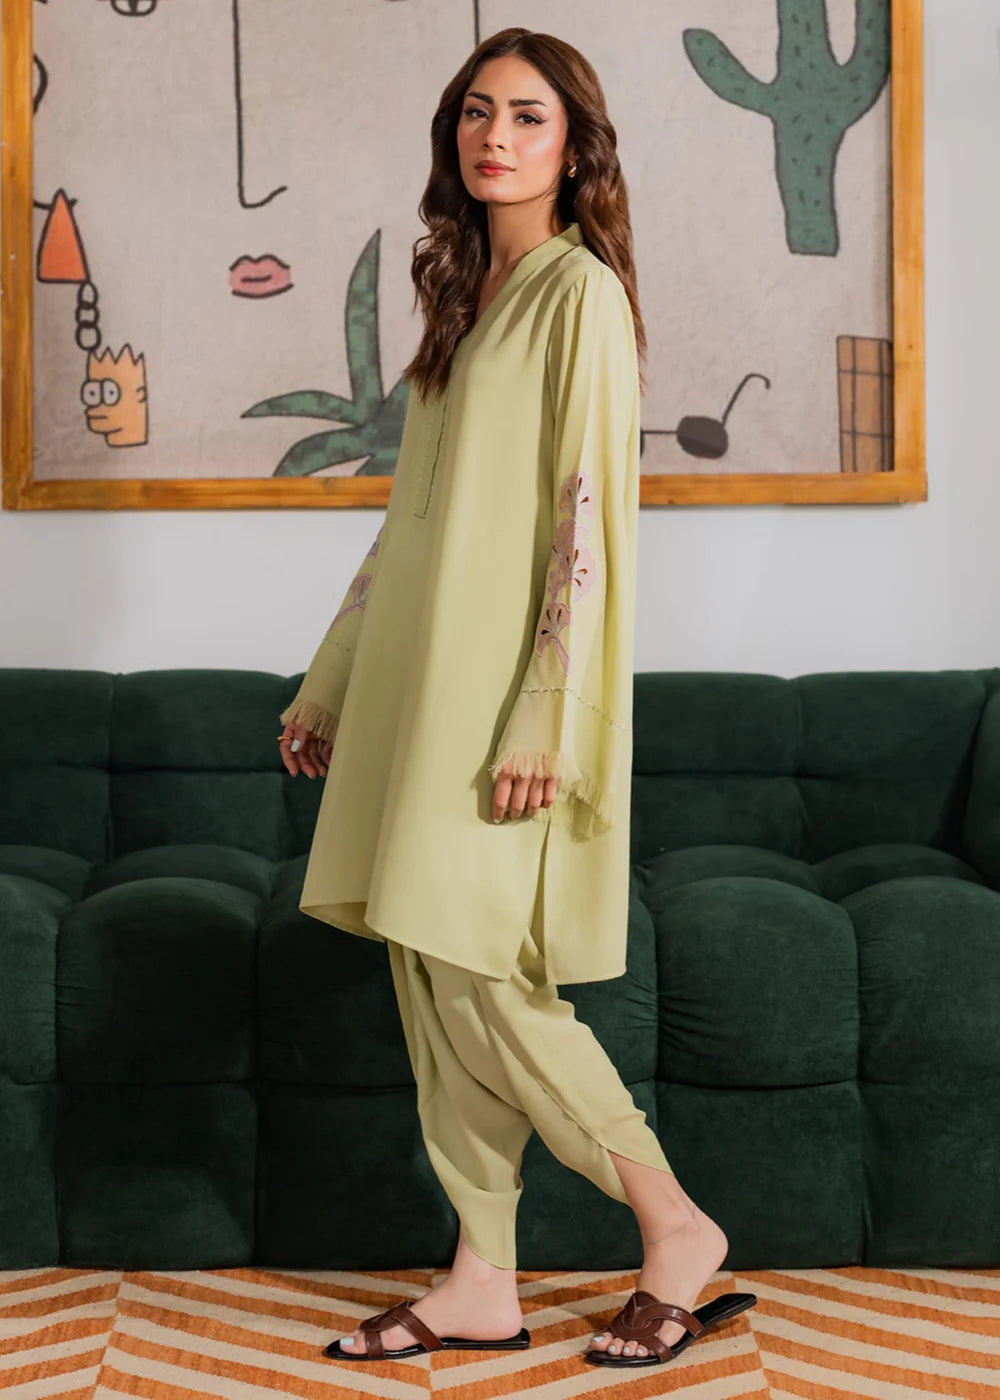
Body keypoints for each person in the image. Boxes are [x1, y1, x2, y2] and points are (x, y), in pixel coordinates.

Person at [277, 26, 754, 1370]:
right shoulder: (464, 297)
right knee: (430, 973)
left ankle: (676, 1227)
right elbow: (410, 525)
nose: (497, 136)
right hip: (414, 696)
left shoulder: (578, 296)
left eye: (529, 116)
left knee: (488, 980)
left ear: (574, 146)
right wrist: (330, 684)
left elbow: (586, 518)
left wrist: (549, 713)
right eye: (478, 112)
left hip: (504, 708)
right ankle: (483, 1278)